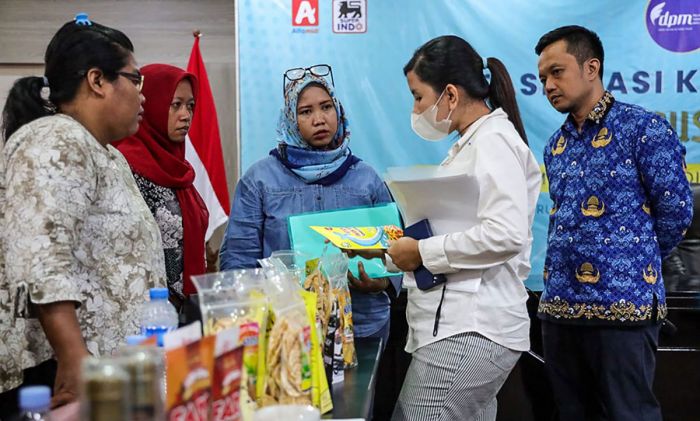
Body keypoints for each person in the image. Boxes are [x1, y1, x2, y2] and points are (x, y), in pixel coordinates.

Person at [352, 35, 540, 421]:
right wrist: (390, 254)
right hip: (460, 325)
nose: (416, 108)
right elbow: (455, 231)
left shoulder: (493, 141)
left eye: (418, 96)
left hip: (471, 326)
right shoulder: (471, 144)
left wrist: (420, 252)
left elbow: (504, 235)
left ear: (450, 94)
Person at [0, 15, 166, 412]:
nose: (143, 95)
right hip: (63, 372)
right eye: (135, 79)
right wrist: (74, 356)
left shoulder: (106, 153)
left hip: (109, 373)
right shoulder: (56, 138)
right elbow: (43, 253)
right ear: (97, 81)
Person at [535, 25, 693, 420]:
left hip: (623, 309)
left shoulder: (643, 130)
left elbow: (676, 212)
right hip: (559, 310)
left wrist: (631, 260)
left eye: (557, 72)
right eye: (542, 78)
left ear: (592, 68)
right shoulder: (555, 145)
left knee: (630, 414)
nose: (548, 85)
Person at [219, 66, 398, 344]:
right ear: (290, 118)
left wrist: (382, 281)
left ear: (338, 110)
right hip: (285, 329)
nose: (319, 119)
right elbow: (239, 261)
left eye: (326, 107)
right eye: (306, 112)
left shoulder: (366, 178)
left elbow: (396, 252)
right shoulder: (260, 180)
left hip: (361, 325)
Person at [115, 64, 209, 310]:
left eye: (190, 106)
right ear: (151, 104)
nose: (186, 115)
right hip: (145, 314)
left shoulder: (180, 170)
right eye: (175, 104)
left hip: (184, 312)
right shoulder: (124, 165)